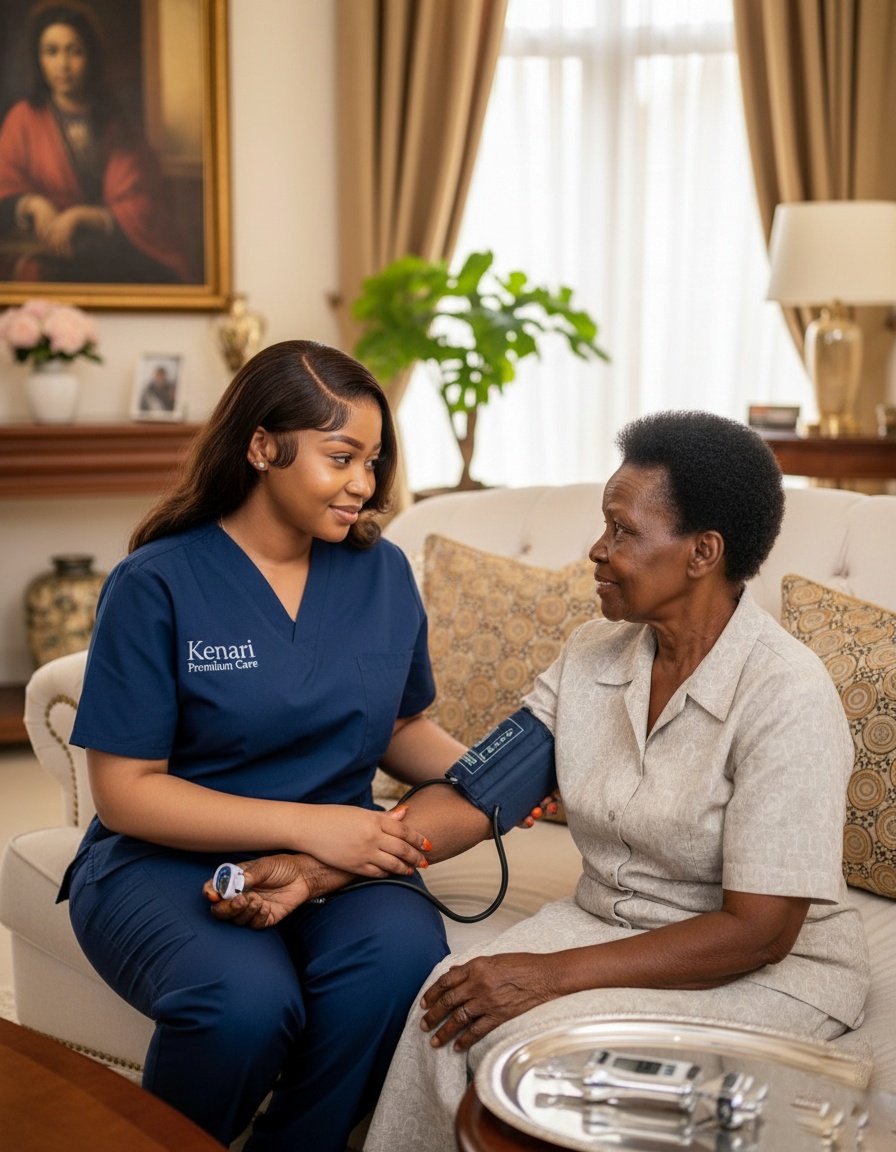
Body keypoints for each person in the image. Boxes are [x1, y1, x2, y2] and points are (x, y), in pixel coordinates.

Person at [209, 411, 870, 1152]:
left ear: (702, 553)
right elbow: (476, 792)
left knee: (535, 1052)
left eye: (623, 531)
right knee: (444, 1005)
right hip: (612, 922)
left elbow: (759, 932)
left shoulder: (786, 694)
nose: (597, 549)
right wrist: (314, 871)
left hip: (754, 965)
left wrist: (549, 976)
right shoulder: (595, 650)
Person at [59, 339, 501, 1152]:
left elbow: (401, 727)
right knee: (244, 1004)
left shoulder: (382, 572)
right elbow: (126, 790)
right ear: (262, 446)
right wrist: (309, 825)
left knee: (403, 960)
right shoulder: (156, 583)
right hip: (162, 858)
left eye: (373, 460)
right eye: (341, 457)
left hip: (339, 861)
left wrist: (494, 777)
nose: (364, 484)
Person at [0, 1, 192, 284]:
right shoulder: (23, 119)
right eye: (51, 52)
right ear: (38, 58)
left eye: (74, 51)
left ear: (91, 56)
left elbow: (145, 202)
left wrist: (82, 216)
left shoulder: (118, 123)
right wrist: (34, 204)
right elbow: (4, 183)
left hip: (110, 248)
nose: (62, 65)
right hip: (44, 248)